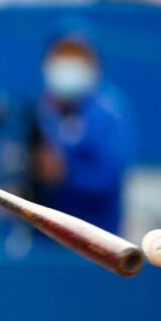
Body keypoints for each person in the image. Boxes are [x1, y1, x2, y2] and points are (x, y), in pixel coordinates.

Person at [29, 25, 133, 237]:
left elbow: (108, 178)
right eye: (62, 56)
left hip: (97, 237)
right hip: (44, 237)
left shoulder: (109, 112)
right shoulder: (40, 109)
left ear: (94, 65)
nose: (68, 65)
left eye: (77, 57)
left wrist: (65, 175)